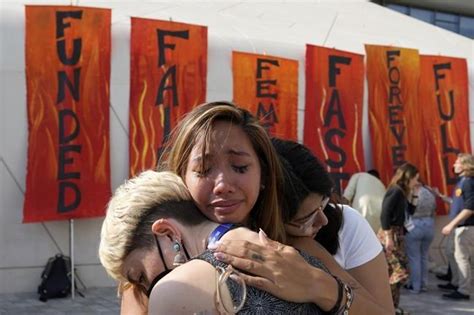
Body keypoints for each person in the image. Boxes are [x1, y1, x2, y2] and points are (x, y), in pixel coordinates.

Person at [120, 101, 391, 314]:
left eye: (240, 167)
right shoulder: (147, 276)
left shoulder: (291, 248)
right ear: (182, 176)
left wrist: (318, 285)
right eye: (203, 170)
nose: (223, 184)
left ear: (263, 176)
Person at [99, 170, 329, 314]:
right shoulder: (293, 252)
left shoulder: (175, 293)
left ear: (167, 233)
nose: (146, 292)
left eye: (140, 276)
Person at [211, 138, 394, 314]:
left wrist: (319, 284)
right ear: (267, 215)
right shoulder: (234, 241)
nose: (323, 220)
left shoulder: (346, 223)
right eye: (306, 219)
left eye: (323, 203)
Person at [377, 162, 419, 313]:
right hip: (391, 234)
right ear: (408, 177)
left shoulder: (402, 192)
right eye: (415, 178)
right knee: (399, 271)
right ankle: (387, 305)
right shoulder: (395, 191)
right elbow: (385, 214)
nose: (416, 182)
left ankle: (392, 306)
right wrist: (388, 237)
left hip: (398, 233)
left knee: (392, 273)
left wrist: (414, 194)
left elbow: (409, 213)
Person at [439, 153, 474, 301]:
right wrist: (441, 197)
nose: (454, 165)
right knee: (451, 253)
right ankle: (455, 282)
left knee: (462, 258)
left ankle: (464, 290)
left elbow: (469, 207)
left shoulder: (469, 182)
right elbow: (458, 203)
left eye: (458, 162)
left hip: (466, 227)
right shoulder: (461, 182)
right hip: (459, 227)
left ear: (466, 165)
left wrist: (451, 224)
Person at [404, 183, 438, 294]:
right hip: (429, 224)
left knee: (414, 258)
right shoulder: (429, 191)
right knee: (424, 256)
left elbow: (407, 210)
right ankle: (424, 284)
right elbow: (434, 209)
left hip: (414, 224)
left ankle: (415, 286)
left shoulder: (411, 191)